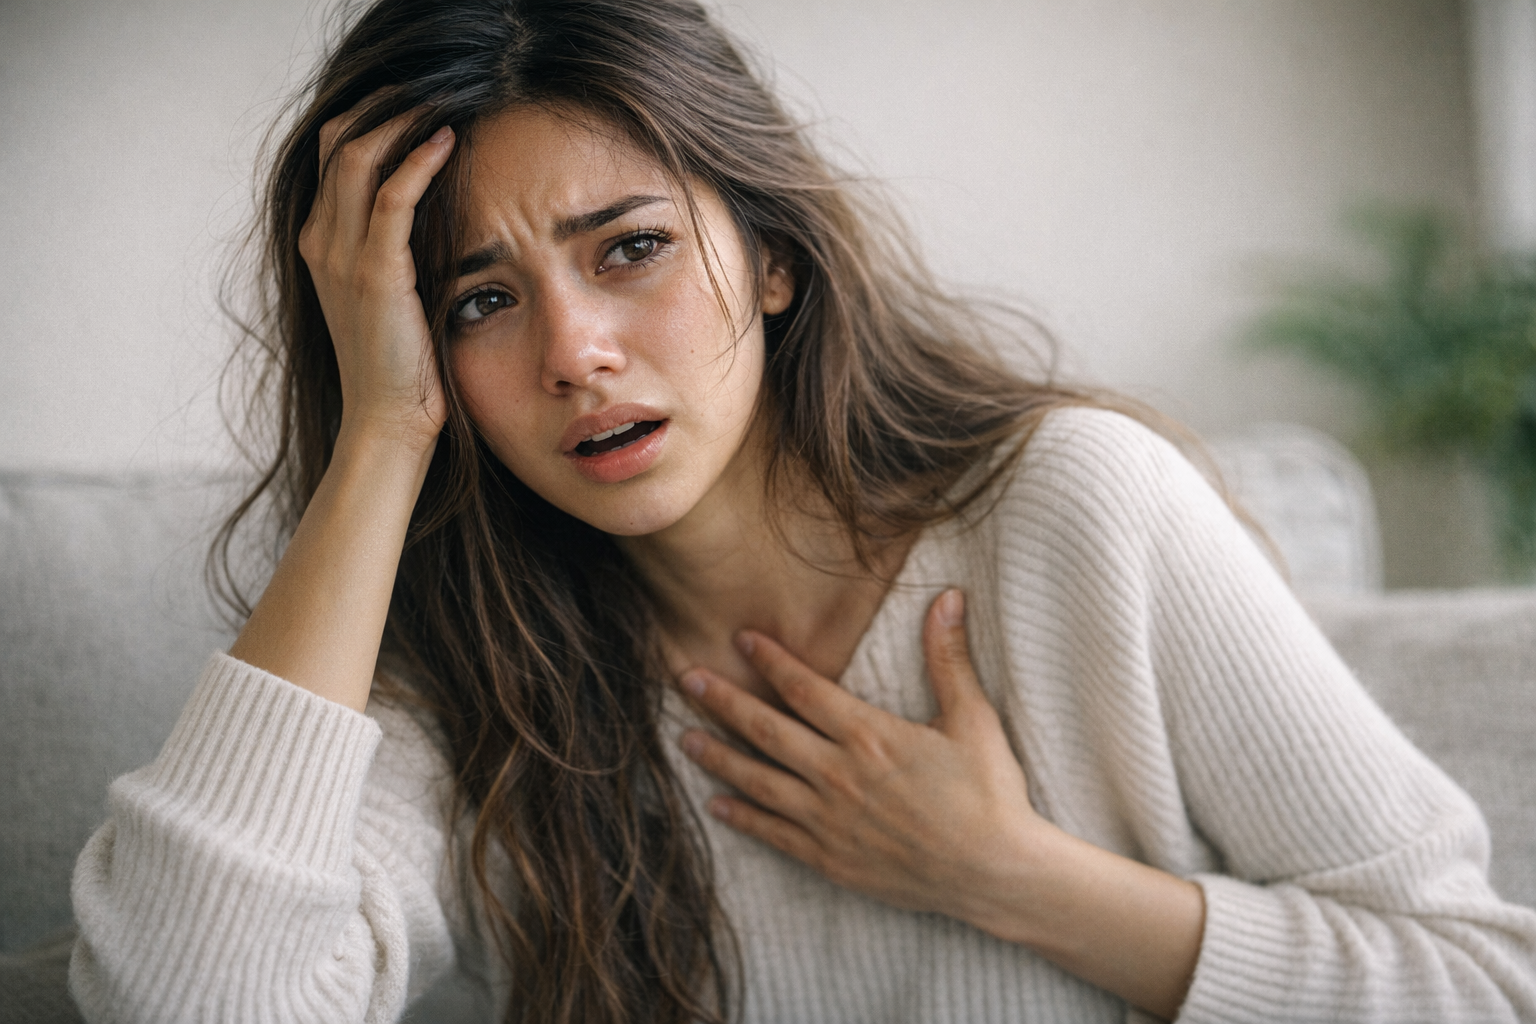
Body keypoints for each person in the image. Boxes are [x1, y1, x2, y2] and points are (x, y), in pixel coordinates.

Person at [68, 0, 1536, 1021]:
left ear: (772, 257)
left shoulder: (1075, 511)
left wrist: (1014, 879)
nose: (573, 350)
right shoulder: (461, 674)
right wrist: (381, 434)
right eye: (480, 300)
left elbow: (1481, 987)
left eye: (629, 247)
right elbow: (188, 1003)